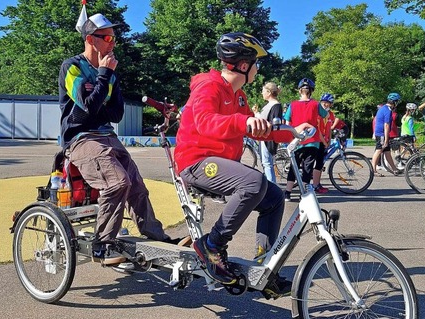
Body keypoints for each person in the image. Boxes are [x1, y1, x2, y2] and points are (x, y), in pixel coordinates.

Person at [174, 32, 311, 298]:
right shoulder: (209, 86)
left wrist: (291, 131)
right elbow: (205, 121)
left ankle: (265, 265)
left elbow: (257, 129)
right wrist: (242, 122)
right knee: (253, 181)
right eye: (256, 63)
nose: (258, 69)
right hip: (196, 162)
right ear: (244, 65)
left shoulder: (238, 96)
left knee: (273, 197)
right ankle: (212, 246)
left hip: (220, 163)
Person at [59, 12, 178, 266]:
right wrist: (103, 76)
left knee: (137, 187)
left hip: (106, 135)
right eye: (108, 37)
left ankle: (156, 238)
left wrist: (103, 84)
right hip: (81, 139)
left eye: (115, 37)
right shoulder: (72, 67)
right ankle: (102, 244)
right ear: (91, 39)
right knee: (117, 183)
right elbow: (88, 108)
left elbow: (116, 113)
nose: (113, 42)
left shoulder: (110, 72)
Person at [283, 78, 329, 198]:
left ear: (299, 91)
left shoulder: (293, 105)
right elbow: (326, 114)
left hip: (296, 140)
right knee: (307, 168)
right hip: (312, 141)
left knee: (294, 166)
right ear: (311, 91)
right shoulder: (315, 104)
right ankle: (303, 193)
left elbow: (287, 123)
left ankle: (287, 192)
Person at [257, 82, 283, 183]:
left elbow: (275, 122)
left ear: (268, 92)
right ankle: (270, 186)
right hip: (265, 136)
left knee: (267, 163)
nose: (262, 93)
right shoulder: (271, 105)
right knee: (266, 163)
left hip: (268, 137)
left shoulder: (275, 105)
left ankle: (272, 187)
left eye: (263, 91)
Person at [371, 93, 402, 176]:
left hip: (380, 133)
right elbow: (386, 125)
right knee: (379, 150)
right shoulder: (387, 110)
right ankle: (373, 170)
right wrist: (386, 139)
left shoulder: (383, 108)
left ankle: (394, 169)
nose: (397, 103)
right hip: (381, 134)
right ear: (394, 102)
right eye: (397, 101)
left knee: (387, 152)